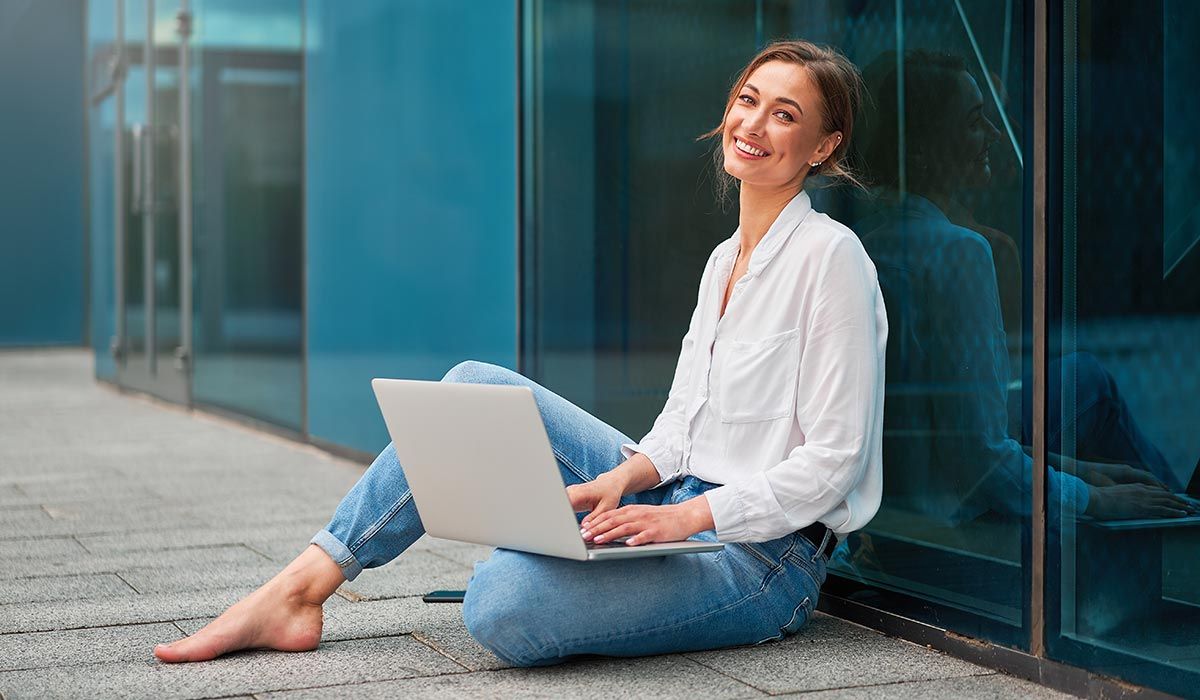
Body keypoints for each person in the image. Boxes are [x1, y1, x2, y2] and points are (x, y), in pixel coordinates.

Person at [153, 40, 887, 667]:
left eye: (784, 114)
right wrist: (625, 479)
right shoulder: (724, 260)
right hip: (674, 498)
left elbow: (833, 464)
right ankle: (299, 589)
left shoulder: (832, 259)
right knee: (472, 387)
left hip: (761, 559)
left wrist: (687, 519)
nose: (753, 123)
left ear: (823, 147)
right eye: (748, 100)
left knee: (501, 603)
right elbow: (682, 430)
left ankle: (549, 565)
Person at [853, 50, 1192, 526]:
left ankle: (1177, 504)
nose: (994, 134)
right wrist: (1094, 499)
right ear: (923, 151)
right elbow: (980, 459)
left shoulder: (868, 239)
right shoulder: (958, 253)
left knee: (1084, 379)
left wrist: (1082, 470)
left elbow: (951, 432)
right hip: (947, 521)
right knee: (1090, 382)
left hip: (896, 509)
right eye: (975, 122)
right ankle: (1183, 517)